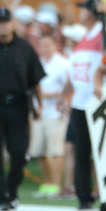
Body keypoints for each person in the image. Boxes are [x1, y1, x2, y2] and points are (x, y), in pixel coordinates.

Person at [0, 7, 45, 211]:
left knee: (19, 152)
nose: (3, 25)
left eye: (6, 21)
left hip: (18, 104)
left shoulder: (25, 47)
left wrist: (39, 104)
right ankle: (0, 198)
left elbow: (35, 80)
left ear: (13, 24)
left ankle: (12, 189)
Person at [63, 0, 106, 210]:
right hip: (79, 103)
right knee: (81, 151)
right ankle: (84, 196)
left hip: (97, 101)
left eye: (84, 9)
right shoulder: (85, 36)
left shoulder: (105, 32)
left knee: (104, 151)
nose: (81, 12)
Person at [28, 35, 70, 198]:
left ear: (55, 46)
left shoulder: (62, 64)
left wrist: (54, 96)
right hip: (39, 112)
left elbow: (70, 87)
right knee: (39, 151)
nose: (45, 49)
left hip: (55, 113)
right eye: (42, 46)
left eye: (48, 45)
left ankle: (57, 184)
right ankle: (48, 182)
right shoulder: (39, 63)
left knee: (55, 151)